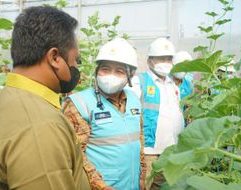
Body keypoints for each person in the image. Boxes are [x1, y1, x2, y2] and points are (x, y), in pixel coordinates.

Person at [0, 6, 90, 190]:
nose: (75, 67)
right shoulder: (40, 126)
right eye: (75, 59)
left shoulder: (10, 97)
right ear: (55, 57)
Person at [63, 38, 146, 190]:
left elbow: (139, 140)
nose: (110, 75)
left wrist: (142, 176)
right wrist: (100, 186)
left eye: (119, 71)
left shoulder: (134, 99)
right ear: (97, 71)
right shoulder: (80, 104)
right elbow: (75, 155)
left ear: (130, 76)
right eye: (105, 69)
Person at [129, 38, 184, 190]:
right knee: (145, 184)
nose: (166, 62)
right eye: (161, 58)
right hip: (149, 151)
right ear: (150, 61)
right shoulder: (139, 81)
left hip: (170, 149)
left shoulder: (173, 84)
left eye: (169, 59)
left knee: (162, 185)